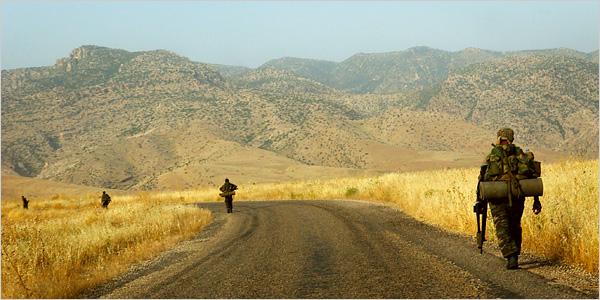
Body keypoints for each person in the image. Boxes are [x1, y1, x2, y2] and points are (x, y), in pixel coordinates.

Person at [482, 128, 542, 269]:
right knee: (514, 224)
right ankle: (515, 255)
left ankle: (511, 256)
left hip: (497, 197)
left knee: (502, 227)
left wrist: (480, 199)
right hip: (517, 195)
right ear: (512, 138)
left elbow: (483, 179)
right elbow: (532, 176)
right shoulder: (520, 153)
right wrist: (536, 200)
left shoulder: (491, 155)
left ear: (498, 137)